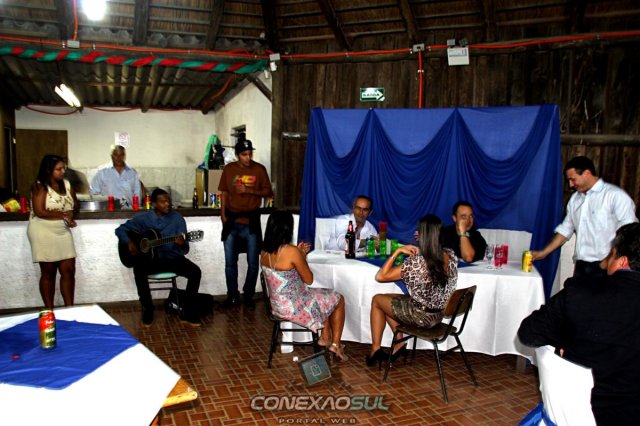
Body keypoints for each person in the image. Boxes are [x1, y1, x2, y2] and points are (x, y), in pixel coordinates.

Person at [518, 222, 640, 425]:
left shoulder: (580, 293)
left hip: (580, 411)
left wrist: (565, 337)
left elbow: (528, 333)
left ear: (622, 261)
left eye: (611, 254)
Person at [367, 215, 458, 367]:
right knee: (388, 299)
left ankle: (375, 350)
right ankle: (399, 344)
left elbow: (380, 277)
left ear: (422, 236)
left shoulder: (417, 263)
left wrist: (398, 252)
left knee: (377, 300)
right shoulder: (451, 254)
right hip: (439, 314)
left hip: (422, 317)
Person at [260, 210, 347, 360]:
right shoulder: (291, 251)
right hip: (296, 307)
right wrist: (301, 256)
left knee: (323, 295)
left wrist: (299, 255)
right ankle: (335, 345)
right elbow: (309, 279)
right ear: (287, 229)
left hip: (277, 306)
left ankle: (325, 337)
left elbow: (286, 276)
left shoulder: (264, 251)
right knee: (338, 298)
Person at [531, 156, 637, 278]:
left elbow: (629, 233)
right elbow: (565, 230)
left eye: (573, 179)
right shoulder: (575, 199)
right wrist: (543, 253)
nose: (570, 185)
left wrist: (608, 260)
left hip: (608, 266)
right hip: (581, 265)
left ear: (587, 173)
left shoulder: (615, 196)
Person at [115, 188, 201, 327]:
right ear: (154, 204)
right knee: (139, 269)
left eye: (168, 201)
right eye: (163, 202)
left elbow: (185, 250)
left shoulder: (178, 219)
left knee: (195, 272)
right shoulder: (144, 218)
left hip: (172, 259)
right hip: (151, 261)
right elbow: (120, 229)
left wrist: (181, 244)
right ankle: (147, 309)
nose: (167, 204)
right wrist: (129, 242)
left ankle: (188, 311)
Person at [219, 139, 273, 308]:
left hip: (251, 221)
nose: (248, 157)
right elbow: (224, 193)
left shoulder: (259, 169)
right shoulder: (229, 169)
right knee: (230, 263)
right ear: (237, 155)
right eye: (244, 154)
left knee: (253, 263)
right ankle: (232, 296)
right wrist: (222, 216)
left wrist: (249, 190)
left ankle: (248, 296)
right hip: (231, 221)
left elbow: (269, 192)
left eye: (250, 154)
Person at [27, 154, 79, 308]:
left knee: (69, 270)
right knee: (49, 273)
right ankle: (49, 310)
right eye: (59, 169)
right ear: (49, 170)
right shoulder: (40, 186)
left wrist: (71, 215)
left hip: (62, 231)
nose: (63, 171)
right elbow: (40, 211)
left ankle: (69, 309)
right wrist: (63, 215)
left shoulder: (67, 184)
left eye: (64, 168)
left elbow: (76, 205)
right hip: (43, 231)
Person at [90, 144, 142, 209]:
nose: (118, 158)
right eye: (116, 155)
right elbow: (94, 193)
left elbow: (137, 193)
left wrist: (136, 209)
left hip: (128, 210)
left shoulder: (132, 173)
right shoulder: (102, 173)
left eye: (121, 155)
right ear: (112, 156)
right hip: (108, 211)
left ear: (124, 156)